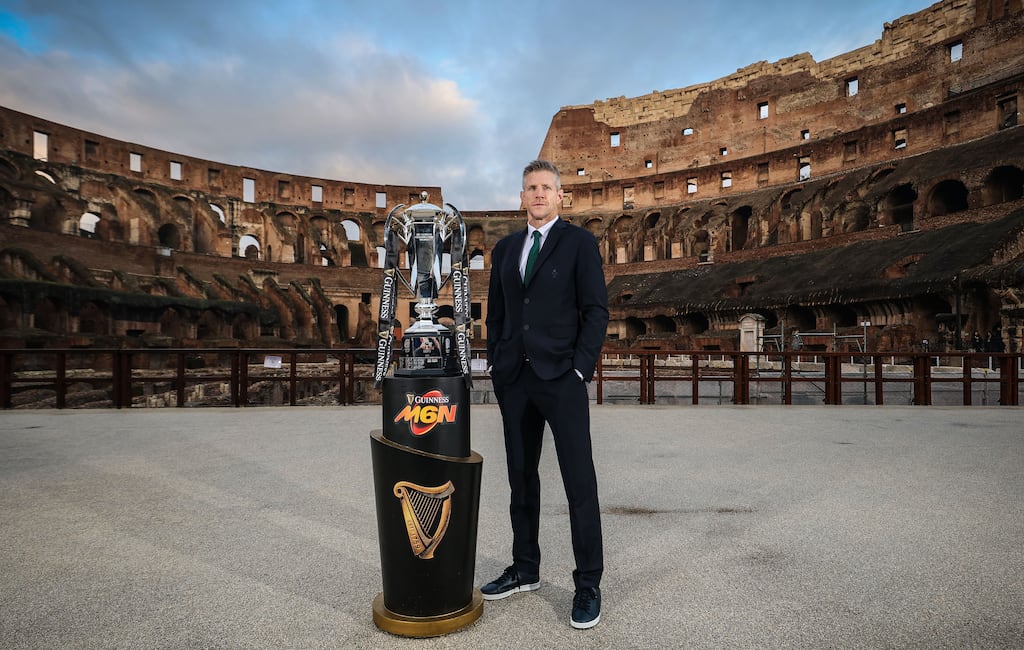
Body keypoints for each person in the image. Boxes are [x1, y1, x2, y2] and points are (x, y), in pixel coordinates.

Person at [482, 159, 609, 630]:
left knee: (579, 482)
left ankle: (588, 583)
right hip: (515, 376)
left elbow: (596, 310)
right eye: (530, 188)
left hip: (562, 378)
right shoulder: (505, 248)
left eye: (545, 188)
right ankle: (526, 568)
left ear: (560, 197)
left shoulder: (579, 243)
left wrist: (580, 369)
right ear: (521, 197)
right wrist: (496, 360)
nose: (537, 195)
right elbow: (497, 312)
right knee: (520, 476)